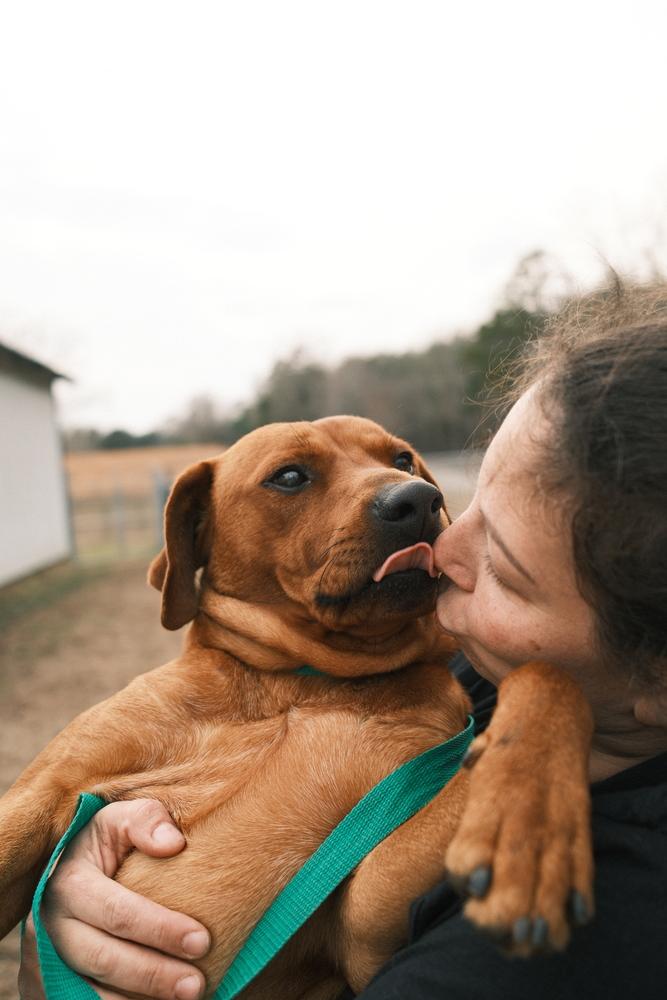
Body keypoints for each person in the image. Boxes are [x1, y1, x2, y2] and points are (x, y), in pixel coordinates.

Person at [19, 281, 667, 999]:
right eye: (292, 478)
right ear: (197, 541)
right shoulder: (166, 705)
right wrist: (63, 880)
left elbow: (369, 926)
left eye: (507, 572)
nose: (412, 502)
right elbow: (35, 816)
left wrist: (546, 709)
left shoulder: (447, 714)